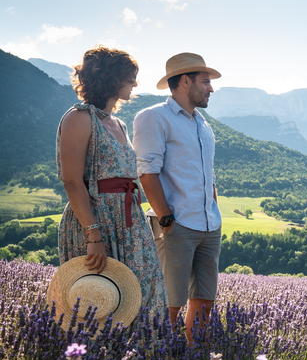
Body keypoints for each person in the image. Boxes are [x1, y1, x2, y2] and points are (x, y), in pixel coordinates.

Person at [56, 46, 167, 317]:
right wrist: (93, 234)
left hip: (130, 221)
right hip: (97, 220)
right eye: (129, 77)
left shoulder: (119, 124)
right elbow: (71, 181)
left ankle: (149, 345)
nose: (135, 84)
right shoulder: (79, 118)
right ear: (110, 78)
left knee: (145, 294)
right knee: (101, 301)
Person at [133, 52, 222, 344]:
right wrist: (165, 218)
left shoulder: (202, 124)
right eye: (205, 81)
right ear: (185, 81)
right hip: (177, 224)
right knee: (170, 301)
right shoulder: (153, 117)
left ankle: (193, 356)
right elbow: (147, 171)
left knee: (204, 299)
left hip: (209, 224)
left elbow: (208, 173)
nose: (211, 88)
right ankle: (160, 356)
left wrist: (214, 210)